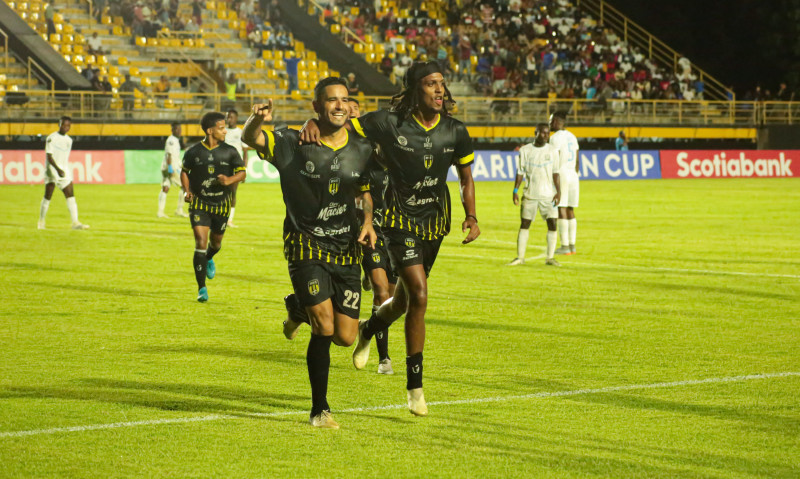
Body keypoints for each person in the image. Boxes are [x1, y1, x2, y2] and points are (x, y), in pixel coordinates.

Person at [300, 61, 480, 417]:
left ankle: (370, 326)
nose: (440, 90)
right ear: (416, 89)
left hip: (435, 225)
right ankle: (415, 386)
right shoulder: (388, 123)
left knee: (402, 302)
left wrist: (471, 215)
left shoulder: (456, 131)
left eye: (442, 84)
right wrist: (311, 122)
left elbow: (465, 177)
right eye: (431, 84)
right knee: (421, 295)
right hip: (398, 222)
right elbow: (342, 124)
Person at [242, 77, 377, 429]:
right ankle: (320, 409)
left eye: (345, 100)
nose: (339, 105)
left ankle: (298, 307)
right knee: (325, 325)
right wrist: (258, 118)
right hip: (306, 244)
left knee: (346, 337)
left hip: (346, 248)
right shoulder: (292, 141)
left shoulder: (361, 147)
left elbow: (363, 190)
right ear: (316, 107)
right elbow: (249, 137)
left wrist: (368, 220)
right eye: (331, 100)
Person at [350, 97, 396, 375]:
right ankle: (384, 358)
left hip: (398, 236)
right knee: (381, 291)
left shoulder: (404, 163)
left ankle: (367, 328)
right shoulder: (361, 158)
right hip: (370, 231)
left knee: (391, 301)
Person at [180, 112, 246, 302]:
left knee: (215, 244)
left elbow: (242, 173)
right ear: (210, 131)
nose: (225, 131)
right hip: (199, 204)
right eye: (221, 127)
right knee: (200, 242)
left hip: (221, 205)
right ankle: (202, 288)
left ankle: (209, 257)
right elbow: (184, 172)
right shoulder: (193, 152)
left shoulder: (231, 151)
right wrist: (187, 191)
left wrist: (229, 180)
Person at [508, 123, 561, 267]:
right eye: (543, 133)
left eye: (548, 133)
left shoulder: (553, 151)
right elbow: (520, 172)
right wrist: (515, 191)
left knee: (553, 224)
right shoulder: (525, 150)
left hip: (548, 195)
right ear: (535, 133)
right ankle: (520, 257)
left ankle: (550, 258)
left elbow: (556, 173)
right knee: (525, 224)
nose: (546, 136)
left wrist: (558, 192)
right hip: (530, 195)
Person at [38, 116, 90, 230]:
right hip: (52, 170)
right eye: (64, 125)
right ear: (59, 124)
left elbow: (64, 157)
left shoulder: (69, 140)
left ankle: (75, 223)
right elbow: (49, 156)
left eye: (68, 126)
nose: (66, 127)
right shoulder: (51, 138)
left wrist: (63, 169)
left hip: (63, 170)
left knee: (70, 195)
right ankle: (41, 221)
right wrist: (57, 169)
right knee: (48, 196)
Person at [550, 111, 580, 256]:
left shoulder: (555, 138)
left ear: (556, 121)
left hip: (561, 173)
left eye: (551, 121)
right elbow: (578, 160)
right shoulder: (572, 136)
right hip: (573, 174)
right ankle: (572, 245)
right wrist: (575, 173)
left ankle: (564, 246)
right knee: (570, 209)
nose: (550, 124)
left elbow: (555, 158)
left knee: (561, 208)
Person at [222, 109, 250, 228]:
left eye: (231, 117)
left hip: (236, 166)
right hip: (223, 165)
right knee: (221, 192)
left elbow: (245, 151)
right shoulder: (223, 131)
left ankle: (229, 219)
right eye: (227, 117)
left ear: (236, 118)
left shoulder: (240, 132)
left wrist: (244, 169)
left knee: (233, 192)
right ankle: (219, 217)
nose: (229, 119)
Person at [158, 122, 188, 218]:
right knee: (185, 186)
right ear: (172, 130)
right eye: (177, 129)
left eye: (180, 129)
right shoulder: (171, 140)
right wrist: (170, 167)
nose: (179, 131)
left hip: (168, 167)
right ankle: (179, 210)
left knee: (165, 187)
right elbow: (169, 155)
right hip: (171, 167)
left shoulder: (175, 140)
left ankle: (160, 212)